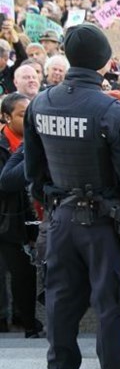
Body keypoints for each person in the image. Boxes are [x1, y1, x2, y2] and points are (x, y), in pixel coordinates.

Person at [23, 23, 120, 369]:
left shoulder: (40, 103)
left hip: (61, 218)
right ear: (104, 63)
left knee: (61, 300)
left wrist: (54, 204)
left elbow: (33, 173)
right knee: (113, 302)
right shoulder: (112, 111)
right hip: (105, 225)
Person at [0, 93, 42, 339]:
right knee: (17, 272)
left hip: (27, 218)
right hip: (7, 221)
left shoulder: (34, 141)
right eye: (22, 114)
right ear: (6, 117)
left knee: (25, 275)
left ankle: (26, 320)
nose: (28, 119)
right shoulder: (5, 146)